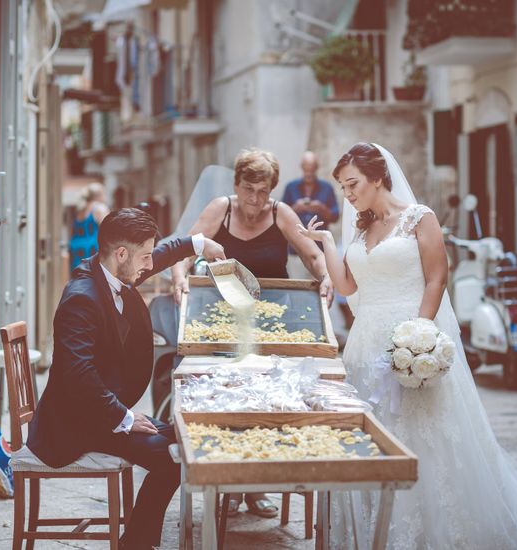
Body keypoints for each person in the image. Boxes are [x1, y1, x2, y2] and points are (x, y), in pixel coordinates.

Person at [296, 143, 517, 549]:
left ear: (378, 176)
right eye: (344, 187)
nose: (347, 195)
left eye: (353, 185)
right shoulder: (362, 228)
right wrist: (327, 246)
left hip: (409, 337)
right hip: (365, 346)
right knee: (375, 437)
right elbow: (349, 286)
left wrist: (419, 338)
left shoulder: (420, 218)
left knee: (424, 436)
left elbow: (437, 277)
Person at [26, 208, 226, 550]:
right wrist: (125, 418)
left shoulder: (111, 271)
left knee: (186, 440)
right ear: (121, 254)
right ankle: (137, 543)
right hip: (74, 423)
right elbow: (78, 375)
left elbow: (158, 256)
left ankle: (137, 540)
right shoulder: (80, 299)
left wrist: (197, 243)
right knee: (173, 456)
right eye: (143, 257)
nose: (149, 265)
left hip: (99, 413)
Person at [170, 148, 333, 519]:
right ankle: (225, 480)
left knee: (266, 400)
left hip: (275, 324)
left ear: (272, 190)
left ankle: (256, 486)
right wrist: (179, 278)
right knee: (225, 397)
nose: (255, 201)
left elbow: (311, 255)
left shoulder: (281, 213)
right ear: (236, 185)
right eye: (248, 190)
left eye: (262, 192)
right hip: (220, 319)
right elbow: (186, 249)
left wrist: (325, 278)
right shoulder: (219, 209)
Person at [281, 151, 339, 279]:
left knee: (320, 287)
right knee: (296, 286)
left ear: (316, 168)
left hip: (321, 250)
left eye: (311, 170)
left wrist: (321, 208)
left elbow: (335, 216)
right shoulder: (291, 187)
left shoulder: (327, 188)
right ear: (302, 167)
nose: (308, 173)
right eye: (306, 169)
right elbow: (279, 215)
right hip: (296, 250)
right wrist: (296, 208)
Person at [69, 182, 110, 269]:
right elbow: (109, 229)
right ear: (99, 195)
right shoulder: (100, 208)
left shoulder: (81, 208)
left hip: (76, 249)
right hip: (92, 249)